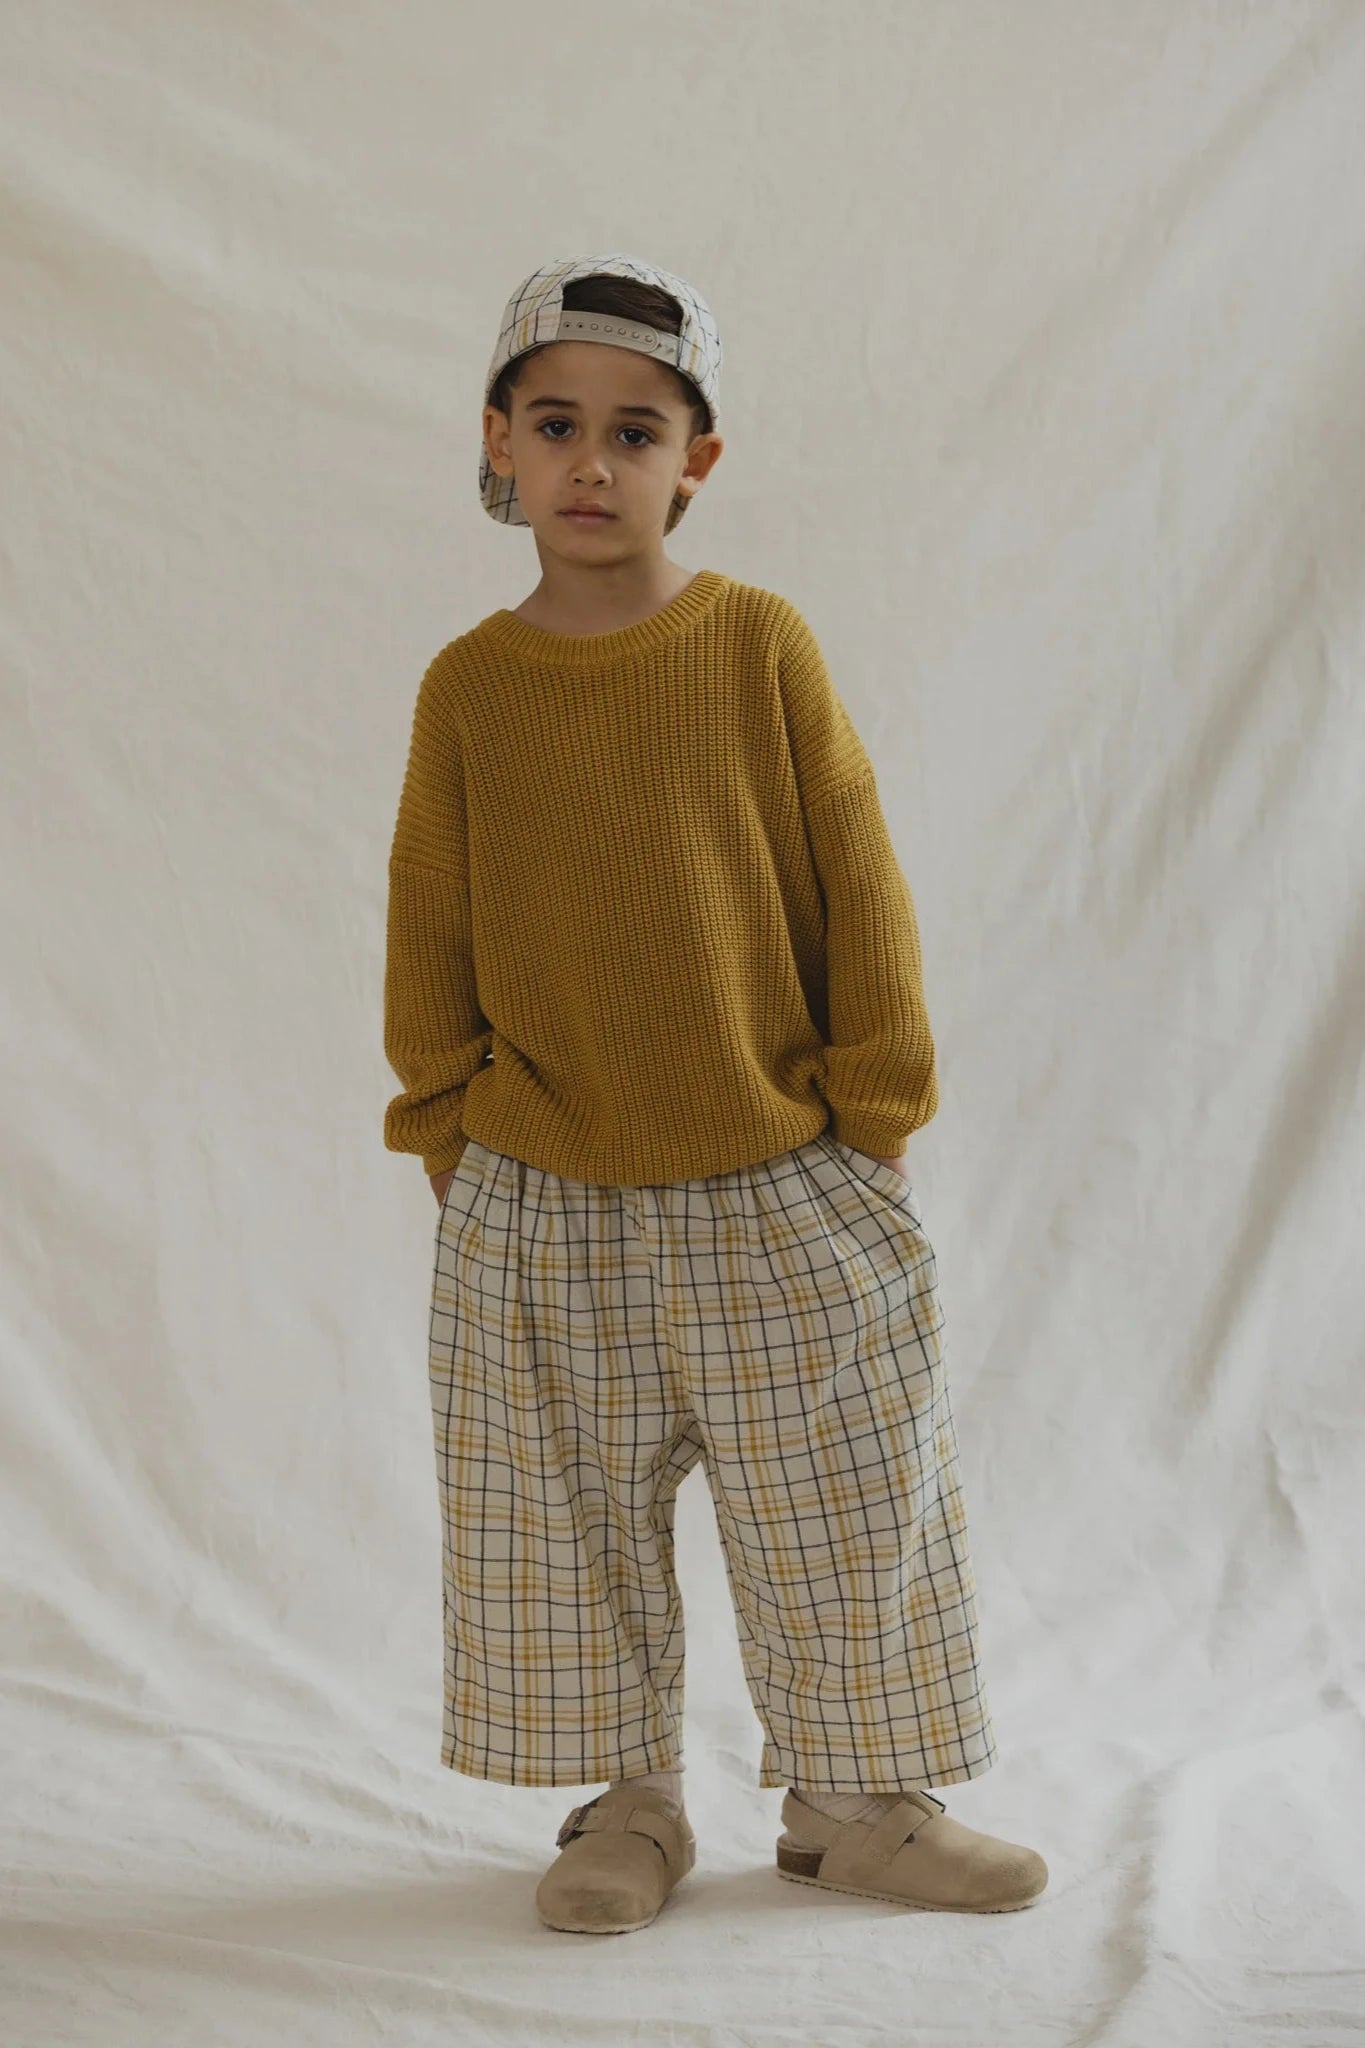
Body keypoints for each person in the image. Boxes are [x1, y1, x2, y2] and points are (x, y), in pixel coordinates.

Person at [382, 252, 1048, 1933]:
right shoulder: (471, 682)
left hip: (772, 1167)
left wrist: (873, 1113)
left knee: (841, 1494)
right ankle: (625, 1803)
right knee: (561, 1516)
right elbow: (430, 913)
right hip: (539, 1188)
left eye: (634, 430)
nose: (592, 465)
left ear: (699, 460)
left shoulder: (755, 643)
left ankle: (853, 1804)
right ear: (499, 444)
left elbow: (853, 875)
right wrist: (445, 1122)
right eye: (556, 426)